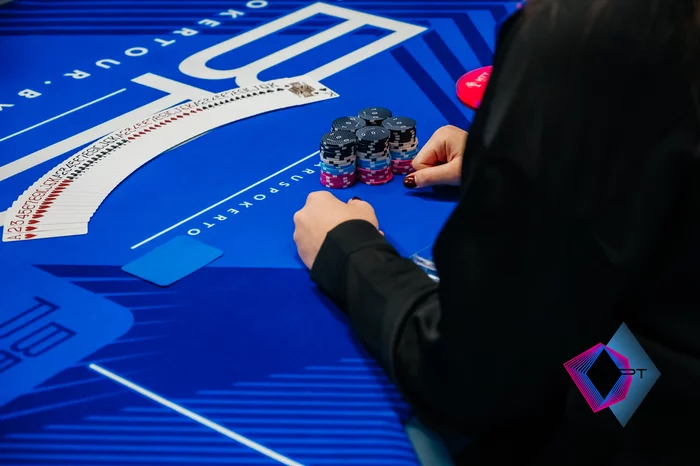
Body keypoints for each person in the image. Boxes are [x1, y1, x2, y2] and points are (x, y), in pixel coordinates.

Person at [293, 0, 700, 464]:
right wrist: (544, 163)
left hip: (658, 419)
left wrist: (349, 253)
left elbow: (470, 375)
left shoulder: (587, 29)